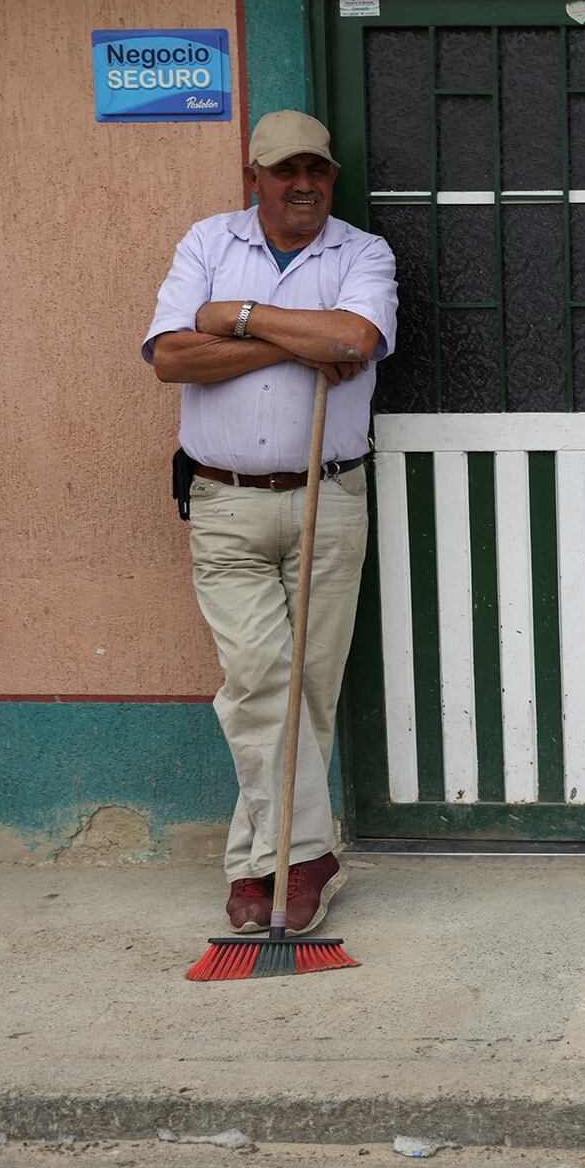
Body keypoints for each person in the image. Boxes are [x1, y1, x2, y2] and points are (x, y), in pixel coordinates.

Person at [143, 110, 397, 935]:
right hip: (224, 503)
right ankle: (305, 859)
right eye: (286, 170)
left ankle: (263, 866)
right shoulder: (207, 243)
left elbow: (357, 338)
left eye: (317, 171)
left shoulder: (361, 252)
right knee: (260, 686)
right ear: (254, 175)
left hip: (330, 494)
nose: (304, 185)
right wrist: (298, 340)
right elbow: (171, 357)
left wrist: (237, 319)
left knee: (308, 695)